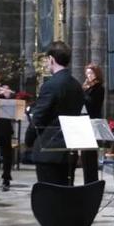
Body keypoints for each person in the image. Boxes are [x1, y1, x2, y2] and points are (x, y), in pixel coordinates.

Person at [24, 41, 85, 185]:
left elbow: (39, 117)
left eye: (46, 60)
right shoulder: (76, 85)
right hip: (69, 148)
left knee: (50, 198)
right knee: (65, 196)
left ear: (51, 59)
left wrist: (28, 139)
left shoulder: (51, 85)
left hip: (49, 150)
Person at [81, 63, 105, 183]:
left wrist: (82, 94)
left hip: (93, 122)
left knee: (90, 155)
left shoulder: (99, 88)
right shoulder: (88, 87)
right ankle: (87, 181)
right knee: (85, 155)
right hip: (85, 121)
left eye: (91, 73)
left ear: (96, 74)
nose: (89, 76)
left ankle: (92, 181)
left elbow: (93, 104)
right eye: (87, 73)